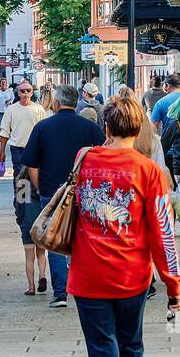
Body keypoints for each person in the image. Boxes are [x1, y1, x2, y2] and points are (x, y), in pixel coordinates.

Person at [69, 93, 180, 357]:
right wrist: (173, 284)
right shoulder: (149, 171)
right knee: (132, 353)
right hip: (132, 277)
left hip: (88, 276)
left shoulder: (84, 160)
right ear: (140, 128)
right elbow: (162, 232)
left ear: (107, 126)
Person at [23, 84, 105, 308]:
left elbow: (31, 163)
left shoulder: (43, 127)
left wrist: (40, 187)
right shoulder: (90, 128)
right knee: (86, 239)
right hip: (85, 192)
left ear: (56, 103)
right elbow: (103, 157)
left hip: (52, 192)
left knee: (55, 239)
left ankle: (60, 293)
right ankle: (87, 287)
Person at [0, 80, 50, 294]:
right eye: (22, 91)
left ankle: (29, 211)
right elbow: (4, 133)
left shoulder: (38, 110)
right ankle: (23, 211)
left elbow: (45, 134)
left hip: (34, 149)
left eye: (29, 90)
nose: (26, 93)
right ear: (17, 92)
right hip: (18, 151)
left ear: (32, 92)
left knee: (32, 188)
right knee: (21, 187)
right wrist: (1, 155)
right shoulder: (11, 109)